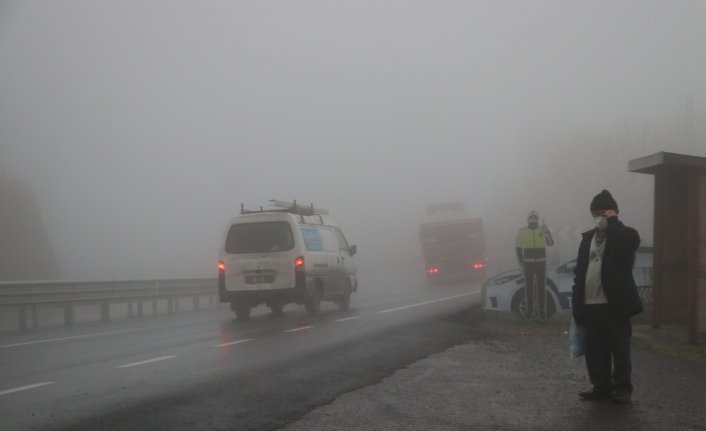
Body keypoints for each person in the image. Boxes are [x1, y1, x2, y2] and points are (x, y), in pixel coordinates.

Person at [571, 189, 643, 404]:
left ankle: (622, 387)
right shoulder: (587, 239)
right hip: (590, 304)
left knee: (619, 348)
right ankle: (601, 386)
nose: (600, 217)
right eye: (596, 213)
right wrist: (577, 305)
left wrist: (614, 222)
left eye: (604, 212)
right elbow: (580, 273)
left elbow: (626, 248)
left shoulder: (627, 234)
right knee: (595, 350)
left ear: (615, 212)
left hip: (615, 305)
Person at [515, 210, 554, 321]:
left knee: (541, 289)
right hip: (528, 265)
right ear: (528, 219)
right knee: (529, 290)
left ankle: (542, 313)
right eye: (531, 218)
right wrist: (520, 260)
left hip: (541, 264)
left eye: (535, 218)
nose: (533, 220)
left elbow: (551, 243)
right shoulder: (522, 231)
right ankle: (529, 313)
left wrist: (547, 233)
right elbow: (518, 248)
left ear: (537, 219)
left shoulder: (542, 229)